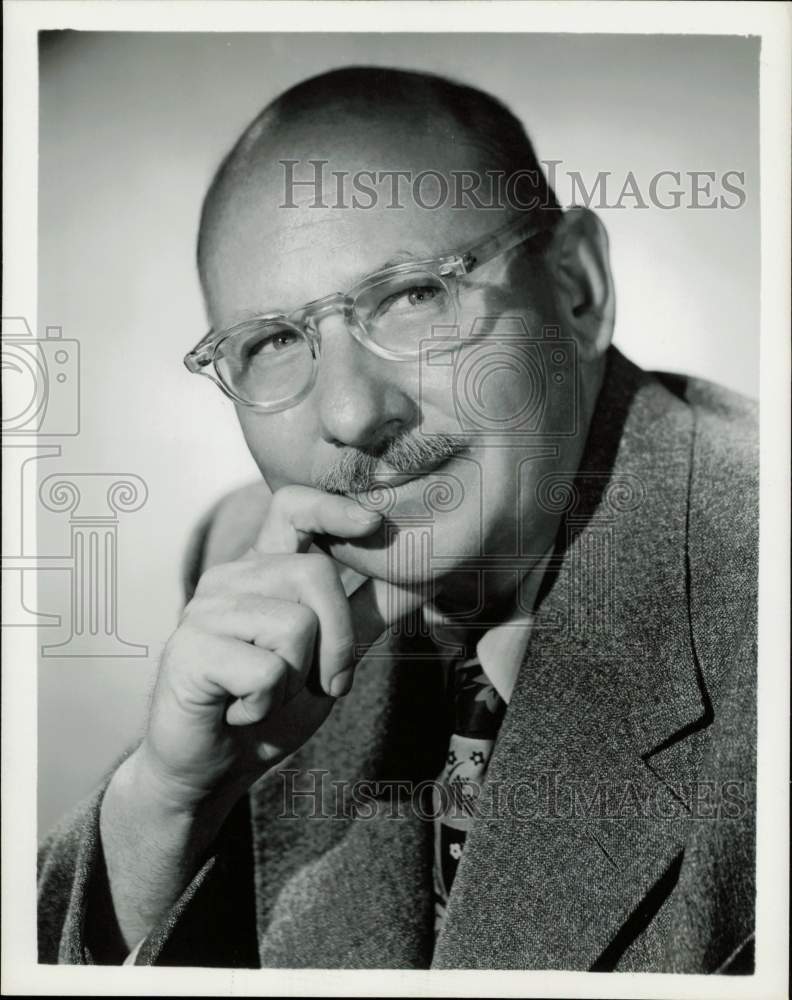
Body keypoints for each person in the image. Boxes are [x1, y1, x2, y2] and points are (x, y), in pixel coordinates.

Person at [37, 66, 757, 972]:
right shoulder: (251, 565)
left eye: (413, 296)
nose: (349, 414)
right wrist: (169, 805)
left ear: (576, 289)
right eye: (274, 343)